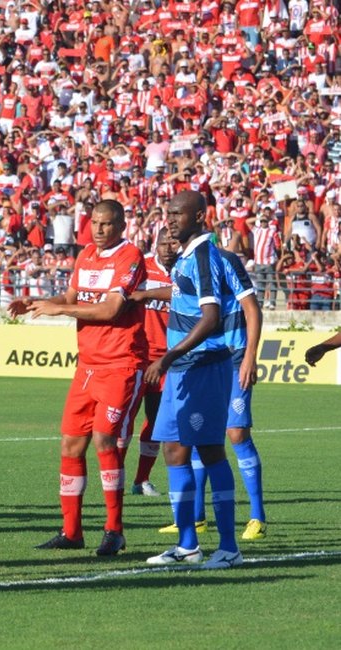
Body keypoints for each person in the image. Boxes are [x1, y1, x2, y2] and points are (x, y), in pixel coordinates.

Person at [8, 200, 147, 557]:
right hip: (87, 367)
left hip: (121, 364)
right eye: (95, 224)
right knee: (70, 444)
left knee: (105, 440)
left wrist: (61, 309)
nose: (98, 230)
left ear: (121, 225)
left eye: (106, 224)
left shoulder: (129, 256)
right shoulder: (85, 255)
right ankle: (72, 532)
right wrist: (37, 302)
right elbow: (70, 298)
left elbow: (112, 309)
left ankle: (114, 530)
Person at [145, 191, 243, 569]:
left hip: (201, 366)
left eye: (177, 214)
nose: (169, 220)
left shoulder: (204, 255)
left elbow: (210, 317)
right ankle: (187, 544)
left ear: (200, 216)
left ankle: (229, 547)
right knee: (173, 449)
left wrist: (169, 355)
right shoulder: (186, 257)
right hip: (182, 372)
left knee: (210, 451)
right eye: (167, 213)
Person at [123, 229, 180, 497]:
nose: (168, 248)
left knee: (157, 421)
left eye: (172, 243)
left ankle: (141, 480)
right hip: (136, 356)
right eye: (163, 243)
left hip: (167, 360)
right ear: (155, 246)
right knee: (124, 420)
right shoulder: (141, 269)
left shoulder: (185, 271)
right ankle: (116, 477)